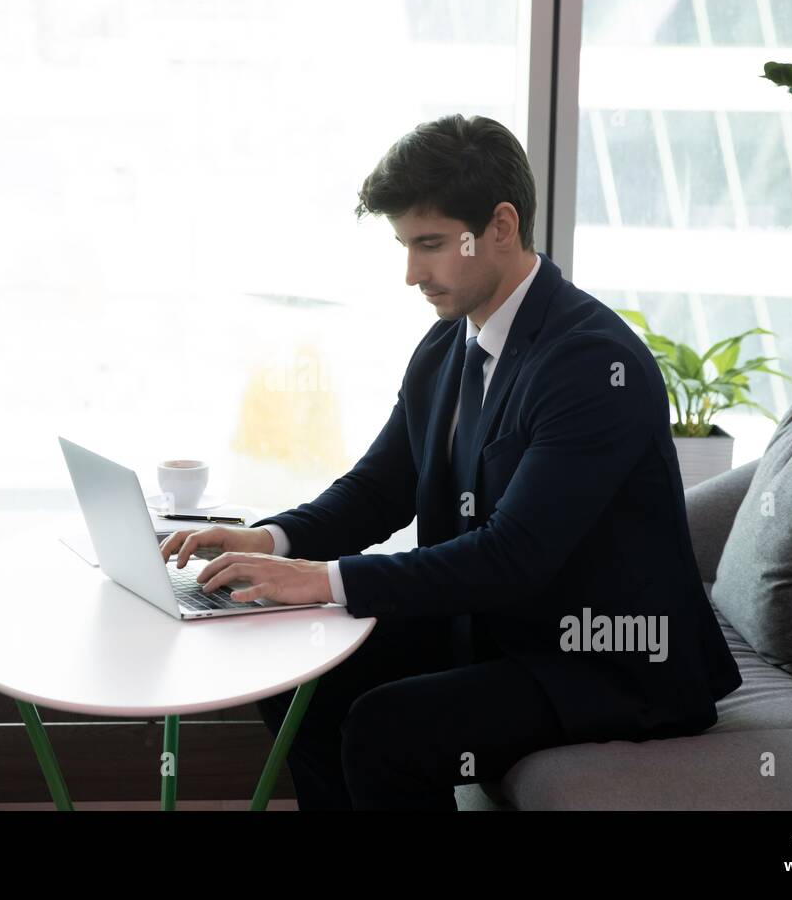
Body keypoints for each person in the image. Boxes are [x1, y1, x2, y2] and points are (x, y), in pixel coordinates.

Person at [158, 113, 741, 810]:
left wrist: (318, 579)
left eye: (429, 245)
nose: (411, 274)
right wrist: (269, 540)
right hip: (500, 628)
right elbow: (378, 490)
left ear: (499, 226)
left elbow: (513, 555)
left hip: (602, 660)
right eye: (405, 246)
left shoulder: (590, 363)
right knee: (298, 680)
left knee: (386, 729)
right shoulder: (448, 347)